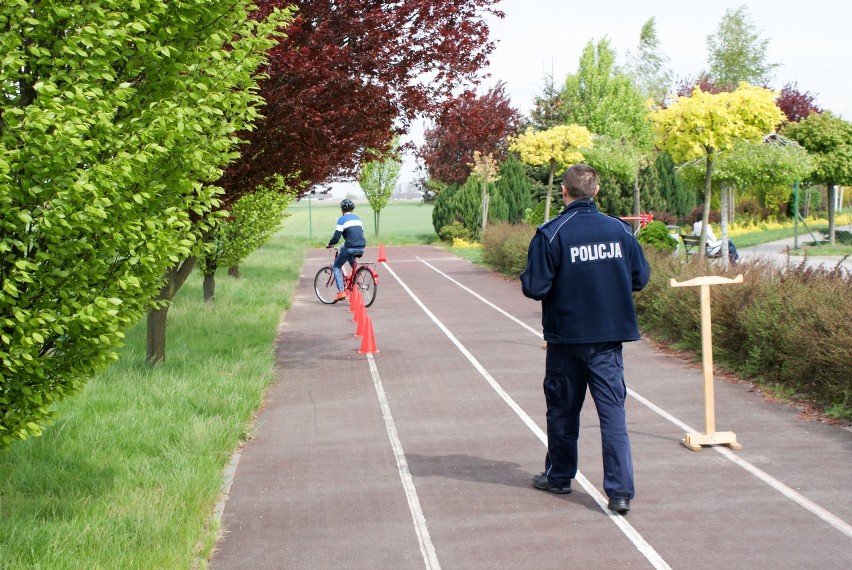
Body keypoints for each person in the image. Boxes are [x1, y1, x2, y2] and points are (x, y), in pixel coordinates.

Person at [520, 164, 650, 515]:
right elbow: (640, 278)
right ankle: (620, 492)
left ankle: (560, 476)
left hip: (567, 340)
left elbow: (534, 287)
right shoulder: (620, 231)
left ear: (564, 191)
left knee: (562, 411)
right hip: (609, 339)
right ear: (596, 190)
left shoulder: (551, 232)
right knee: (613, 415)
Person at [326, 199, 367, 303]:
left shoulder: (342, 219)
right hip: (362, 246)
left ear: (342, 210)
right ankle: (355, 277)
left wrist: (330, 244)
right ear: (352, 209)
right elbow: (359, 233)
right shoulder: (358, 219)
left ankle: (341, 292)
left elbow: (336, 237)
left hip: (350, 247)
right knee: (349, 254)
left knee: (336, 266)